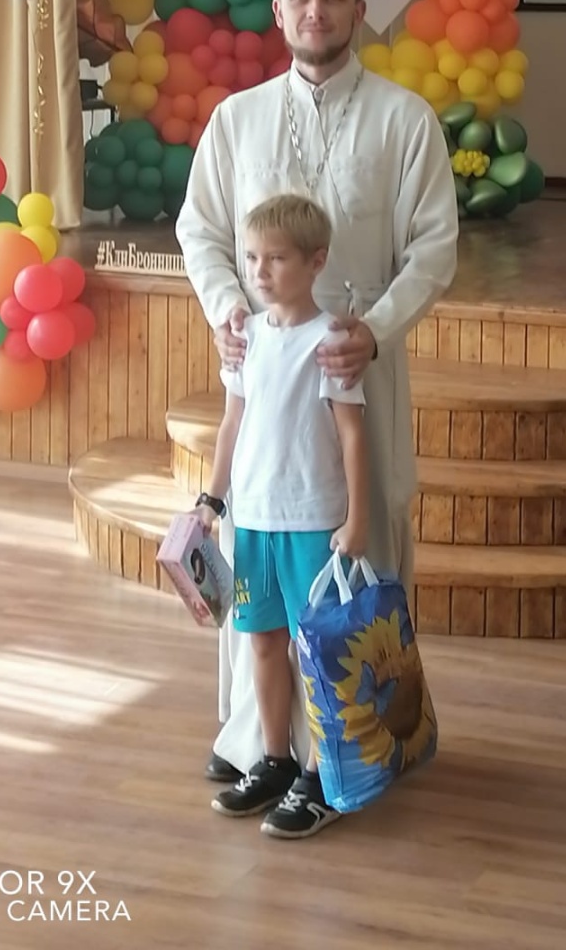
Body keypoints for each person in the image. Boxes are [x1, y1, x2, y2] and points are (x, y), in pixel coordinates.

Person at [175, 0, 459, 781]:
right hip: (265, 377)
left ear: (361, 10)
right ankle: (261, 742)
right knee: (263, 563)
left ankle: (363, 747)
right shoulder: (238, 119)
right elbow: (201, 230)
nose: (315, 12)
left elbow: (434, 249)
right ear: (278, 11)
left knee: (361, 547)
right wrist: (227, 309)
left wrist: (376, 328)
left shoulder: (404, 120)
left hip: (356, 368)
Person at [195, 193, 368, 839]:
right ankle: (276, 759)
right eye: (251, 259)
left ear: (315, 262)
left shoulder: (331, 342)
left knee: (316, 652)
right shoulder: (244, 339)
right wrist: (212, 500)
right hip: (253, 523)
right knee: (262, 641)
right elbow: (232, 422)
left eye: (276, 259)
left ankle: (323, 778)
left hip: (312, 522)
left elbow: (352, 434)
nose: (260, 272)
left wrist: (357, 519)